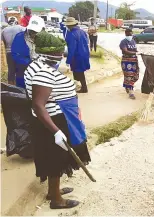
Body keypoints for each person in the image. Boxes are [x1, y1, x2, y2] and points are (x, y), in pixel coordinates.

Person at [24, 31, 91, 209]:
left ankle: (53, 191)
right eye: (59, 54)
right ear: (49, 54)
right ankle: (56, 200)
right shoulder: (44, 73)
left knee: (54, 157)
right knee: (56, 159)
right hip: (53, 120)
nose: (62, 56)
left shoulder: (36, 65)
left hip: (53, 118)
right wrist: (56, 132)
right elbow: (39, 104)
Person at [11, 16, 45, 88]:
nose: (33, 33)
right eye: (31, 31)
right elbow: (15, 55)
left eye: (36, 32)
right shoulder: (19, 37)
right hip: (23, 73)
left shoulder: (47, 39)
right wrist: (29, 62)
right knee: (23, 95)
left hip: (41, 75)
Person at [63, 17, 91, 93]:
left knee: (78, 72)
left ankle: (83, 88)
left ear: (70, 25)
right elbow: (87, 43)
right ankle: (82, 87)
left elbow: (72, 49)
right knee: (80, 72)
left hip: (77, 56)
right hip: (85, 54)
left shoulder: (71, 34)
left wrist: (68, 61)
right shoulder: (83, 32)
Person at [1, 21, 26, 85]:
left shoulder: (4, 30)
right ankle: (20, 87)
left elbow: (3, 43)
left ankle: (10, 86)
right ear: (16, 22)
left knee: (11, 70)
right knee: (20, 70)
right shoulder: (21, 28)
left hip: (9, 53)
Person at [119, 28, 139, 99]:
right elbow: (125, 51)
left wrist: (138, 52)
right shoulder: (123, 42)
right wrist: (135, 52)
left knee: (136, 76)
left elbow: (135, 49)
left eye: (131, 34)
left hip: (134, 61)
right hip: (126, 61)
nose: (130, 35)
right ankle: (131, 92)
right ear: (126, 34)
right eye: (129, 34)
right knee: (129, 76)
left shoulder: (133, 41)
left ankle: (127, 86)